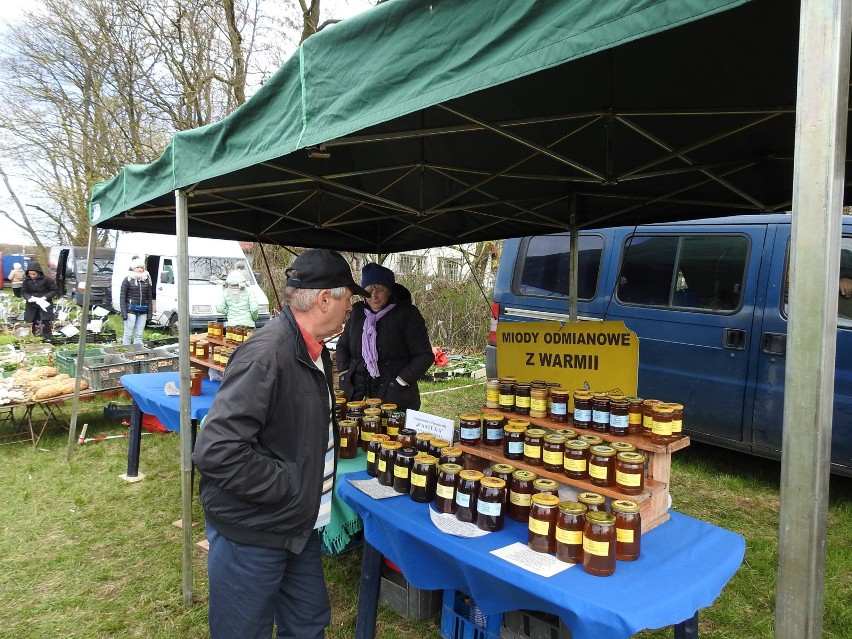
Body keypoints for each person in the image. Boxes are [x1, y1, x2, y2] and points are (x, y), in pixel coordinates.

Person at [191, 249, 368, 639]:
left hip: (297, 527)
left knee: (307, 623)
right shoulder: (267, 355)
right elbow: (217, 451)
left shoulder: (315, 351)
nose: (349, 309)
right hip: (254, 531)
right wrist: (290, 485)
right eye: (347, 300)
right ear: (325, 299)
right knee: (243, 631)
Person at [336, 262, 434, 411]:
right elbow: (343, 346)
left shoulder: (407, 314)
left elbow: (424, 355)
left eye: (380, 290)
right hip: (357, 396)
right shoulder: (357, 312)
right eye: (368, 291)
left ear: (389, 291)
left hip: (395, 398)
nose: (374, 296)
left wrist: (401, 382)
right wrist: (344, 373)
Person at [21, 261, 58, 340]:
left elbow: (54, 290)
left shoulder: (47, 279)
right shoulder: (26, 281)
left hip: (44, 303)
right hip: (32, 304)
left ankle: (48, 337)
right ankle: (36, 337)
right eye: (30, 274)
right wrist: (28, 298)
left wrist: (45, 297)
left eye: (34, 274)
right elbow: (24, 292)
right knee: (34, 320)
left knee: (45, 321)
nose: (32, 276)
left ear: (38, 272)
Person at [119, 257, 153, 345]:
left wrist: (150, 313)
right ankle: (126, 352)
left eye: (141, 267)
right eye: (137, 267)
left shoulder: (146, 279)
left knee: (139, 334)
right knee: (128, 334)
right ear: (133, 268)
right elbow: (122, 297)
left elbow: (149, 297)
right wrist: (124, 313)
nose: (140, 269)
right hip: (131, 310)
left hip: (143, 310)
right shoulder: (127, 279)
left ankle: (137, 353)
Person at [216, 262, 258, 330]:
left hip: (232, 327)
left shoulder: (225, 293)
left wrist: (230, 313)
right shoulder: (249, 292)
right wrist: (253, 318)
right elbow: (254, 309)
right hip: (248, 326)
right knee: (249, 340)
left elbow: (219, 307)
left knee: (233, 341)